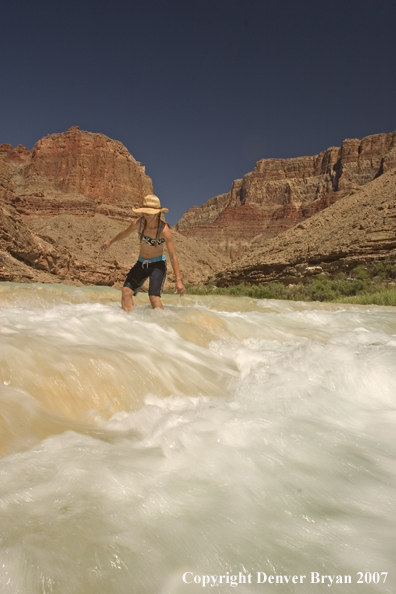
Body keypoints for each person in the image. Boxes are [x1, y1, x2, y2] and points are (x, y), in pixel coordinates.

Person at [101, 195, 185, 311]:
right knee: (126, 292)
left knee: (153, 298)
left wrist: (178, 280)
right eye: (145, 211)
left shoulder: (164, 230)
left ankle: (162, 325)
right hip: (141, 263)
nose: (146, 214)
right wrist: (110, 242)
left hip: (157, 265)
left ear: (157, 213)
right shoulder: (138, 223)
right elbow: (125, 233)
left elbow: (173, 256)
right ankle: (129, 321)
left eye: (149, 212)